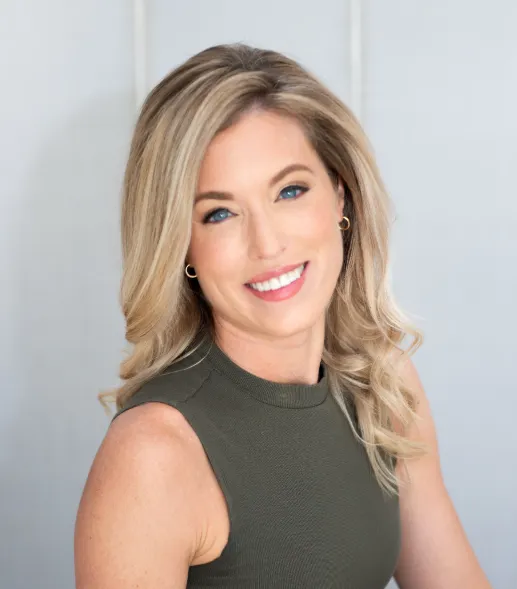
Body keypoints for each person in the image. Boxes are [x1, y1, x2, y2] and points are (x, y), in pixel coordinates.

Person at [74, 43, 491, 589]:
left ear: (340, 197)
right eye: (219, 213)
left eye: (290, 190)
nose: (267, 244)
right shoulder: (153, 454)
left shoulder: (383, 387)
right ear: (181, 247)